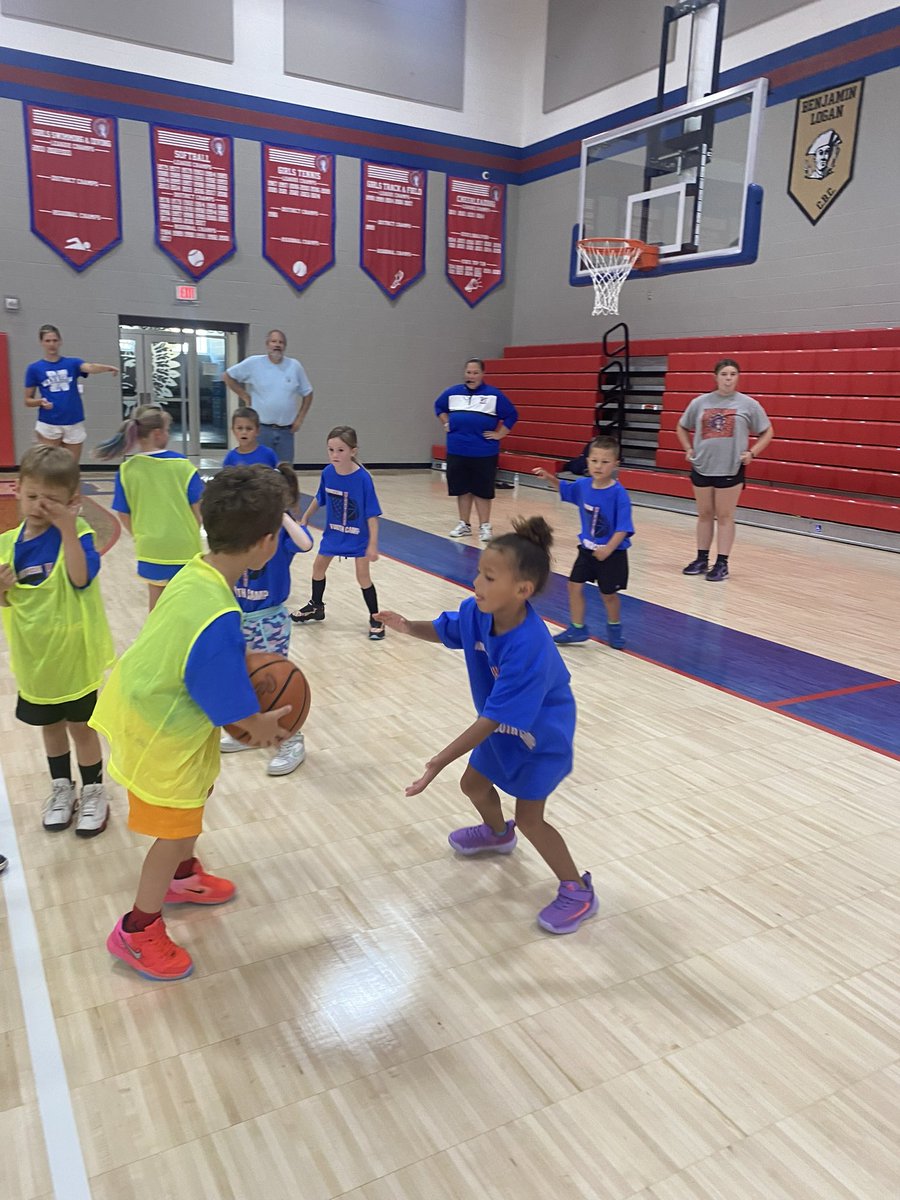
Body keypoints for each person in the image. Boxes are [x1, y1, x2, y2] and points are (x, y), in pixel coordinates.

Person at [91, 466, 293, 982]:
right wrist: (262, 729)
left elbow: (204, 661)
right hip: (160, 728)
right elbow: (230, 712)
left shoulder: (197, 569)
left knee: (191, 806)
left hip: (154, 705)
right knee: (175, 830)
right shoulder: (219, 614)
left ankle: (183, 877)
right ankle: (137, 930)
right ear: (267, 543)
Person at [375, 516, 597, 935]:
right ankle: (498, 834)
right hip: (501, 728)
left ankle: (578, 889)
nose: (477, 580)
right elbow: (446, 632)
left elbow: (492, 718)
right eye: (479, 570)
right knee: (474, 785)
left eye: (489, 576)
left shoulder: (529, 645)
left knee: (531, 819)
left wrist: (437, 761)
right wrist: (407, 627)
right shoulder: (476, 612)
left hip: (538, 738)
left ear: (522, 590)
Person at [0, 446, 114, 836]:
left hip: (75, 657)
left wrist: (67, 527)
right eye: (32, 497)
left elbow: (80, 579)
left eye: (51, 501)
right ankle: (61, 788)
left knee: (82, 727)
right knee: (50, 729)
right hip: (36, 662)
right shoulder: (6, 545)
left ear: (72, 502)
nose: (39, 507)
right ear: (17, 490)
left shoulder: (79, 536)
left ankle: (94, 790)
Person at [220, 463, 314, 775]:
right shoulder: (246, 534)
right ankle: (250, 730)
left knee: (275, 681)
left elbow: (307, 543)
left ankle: (292, 739)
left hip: (271, 620)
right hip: (241, 617)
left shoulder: (281, 536)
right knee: (244, 676)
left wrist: (282, 514)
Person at [94, 405, 204, 610]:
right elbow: (198, 508)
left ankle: (157, 640)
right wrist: (193, 528)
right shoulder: (183, 465)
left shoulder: (127, 470)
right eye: (168, 430)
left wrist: (140, 534)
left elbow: (123, 513)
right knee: (186, 600)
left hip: (149, 547)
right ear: (157, 433)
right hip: (183, 546)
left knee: (156, 601)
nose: (169, 434)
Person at [676, 359, 774, 581]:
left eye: (733, 374)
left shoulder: (748, 404)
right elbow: (681, 426)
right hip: (703, 466)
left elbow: (767, 431)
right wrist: (688, 448)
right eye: (724, 374)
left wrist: (752, 453)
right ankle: (701, 559)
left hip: (730, 468)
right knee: (704, 514)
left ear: (738, 377)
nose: (728, 378)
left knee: (725, 516)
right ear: (716, 377)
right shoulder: (700, 402)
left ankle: (722, 563)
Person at [533, 435, 633, 649]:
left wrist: (608, 549)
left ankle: (614, 628)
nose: (599, 466)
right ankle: (578, 628)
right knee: (574, 586)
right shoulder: (583, 485)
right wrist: (550, 477)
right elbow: (564, 489)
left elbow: (623, 528)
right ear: (587, 461)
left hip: (612, 554)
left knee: (608, 595)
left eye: (605, 462)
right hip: (587, 550)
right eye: (594, 460)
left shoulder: (619, 494)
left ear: (616, 464)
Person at [291, 426, 385, 640]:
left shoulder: (363, 479)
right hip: (334, 534)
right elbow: (319, 497)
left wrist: (373, 544)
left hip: (358, 536)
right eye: (331, 450)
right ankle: (316, 606)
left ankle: (375, 616)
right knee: (317, 568)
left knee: (363, 577)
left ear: (353, 451)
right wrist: (306, 517)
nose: (335, 455)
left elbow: (372, 514)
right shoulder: (328, 473)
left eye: (340, 450)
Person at [434, 358, 518, 542]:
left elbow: (512, 415)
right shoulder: (452, 393)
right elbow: (438, 407)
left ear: (482, 374)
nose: (471, 376)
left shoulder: (494, 395)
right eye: (468, 373)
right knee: (462, 489)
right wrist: (446, 422)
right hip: (457, 449)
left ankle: (485, 526)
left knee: (482, 490)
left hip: (483, 452)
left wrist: (500, 434)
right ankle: (464, 524)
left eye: (475, 373)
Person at [24, 323, 118, 462]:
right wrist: (40, 402)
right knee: (49, 466)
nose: (52, 344)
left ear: (60, 342)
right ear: (41, 343)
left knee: (71, 466)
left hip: (73, 420)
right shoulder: (34, 368)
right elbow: (27, 400)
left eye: (55, 340)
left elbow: (90, 367)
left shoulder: (72, 363)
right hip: (49, 422)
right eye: (48, 341)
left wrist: (107, 368)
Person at [222, 330, 313, 464]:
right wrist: (245, 396)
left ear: (285, 346)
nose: (277, 345)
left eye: (281, 342)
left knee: (284, 471)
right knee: (260, 471)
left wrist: (300, 418)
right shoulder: (254, 363)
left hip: (286, 431)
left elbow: (308, 393)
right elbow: (227, 376)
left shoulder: (294, 366)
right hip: (262, 429)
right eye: (274, 341)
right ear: (267, 344)